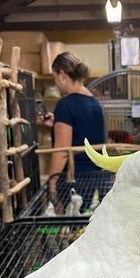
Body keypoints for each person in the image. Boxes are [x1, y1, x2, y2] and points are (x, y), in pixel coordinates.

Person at [46, 52, 106, 212]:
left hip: (73, 180)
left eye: (55, 77)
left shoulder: (65, 105)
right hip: (96, 179)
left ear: (63, 74)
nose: (56, 84)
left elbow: (62, 151)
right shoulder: (94, 103)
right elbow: (84, 131)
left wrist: (51, 184)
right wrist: (55, 123)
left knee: (71, 231)